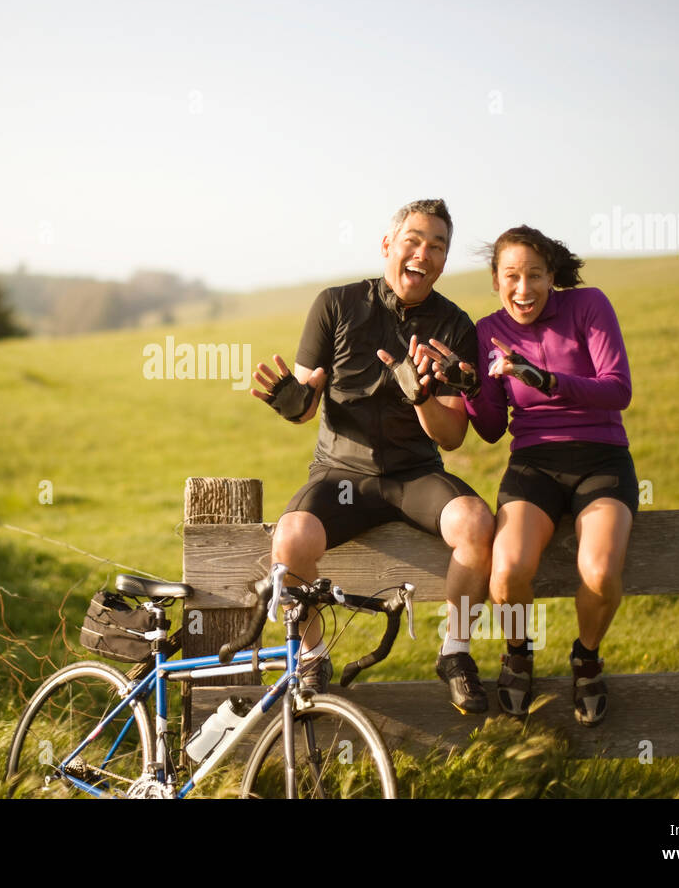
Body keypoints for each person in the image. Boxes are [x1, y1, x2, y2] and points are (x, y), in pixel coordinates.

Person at [250, 199, 495, 713]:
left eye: (437, 246)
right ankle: (314, 656)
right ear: (388, 245)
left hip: (415, 475)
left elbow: (451, 438)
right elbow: (305, 398)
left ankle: (455, 653)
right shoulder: (335, 305)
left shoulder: (454, 326)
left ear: (444, 261)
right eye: (413, 240)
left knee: (475, 523)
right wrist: (294, 404)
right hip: (343, 473)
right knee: (290, 540)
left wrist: (422, 396)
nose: (423, 254)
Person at [440, 224, 635, 726]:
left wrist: (543, 380)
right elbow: (487, 428)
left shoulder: (588, 305)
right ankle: (518, 652)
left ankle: (586, 659)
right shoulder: (487, 332)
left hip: (602, 459)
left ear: (552, 277)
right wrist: (469, 386)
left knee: (599, 572)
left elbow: (617, 390)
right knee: (506, 572)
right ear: (495, 280)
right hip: (534, 465)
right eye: (511, 276)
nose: (522, 289)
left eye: (534, 276)